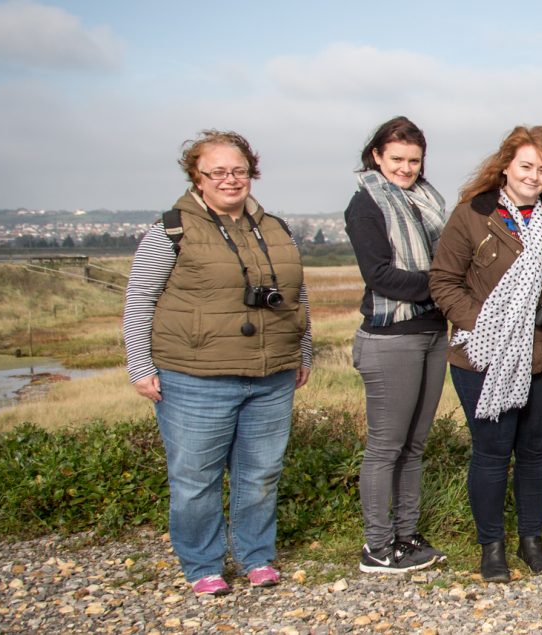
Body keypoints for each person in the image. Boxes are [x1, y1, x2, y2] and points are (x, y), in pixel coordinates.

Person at [122, 130, 312, 596]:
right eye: (219, 172)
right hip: (194, 377)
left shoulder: (276, 228)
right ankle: (203, 563)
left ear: (252, 174)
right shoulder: (171, 229)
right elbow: (140, 300)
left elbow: (296, 296)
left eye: (239, 171)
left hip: (271, 374)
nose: (231, 180)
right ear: (198, 177)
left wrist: (302, 352)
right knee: (195, 478)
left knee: (261, 473)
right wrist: (140, 365)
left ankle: (256, 556)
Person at [429, 125, 542, 583]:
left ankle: (532, 542)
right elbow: (442, 283)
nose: (533, 176)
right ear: (506, 165)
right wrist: (490, 323)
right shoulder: (473, 215)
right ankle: (491, 547)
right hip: (482, 356)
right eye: (526, 166)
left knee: (536, 454)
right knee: (492, 453)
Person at [345, 116, 450, 574]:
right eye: (397, 160)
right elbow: (381, 276)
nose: (406, 168)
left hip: (431, 333)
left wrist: (441, 288)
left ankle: (406, 536)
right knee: (386, 447)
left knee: (415, 445)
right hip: (391, 339)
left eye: (414, 160)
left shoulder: (426, 202)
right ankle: (376, 546)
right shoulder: (365, 205)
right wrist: (443, 285)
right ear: (377, 157)